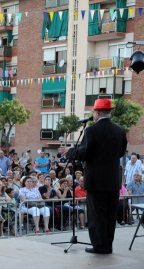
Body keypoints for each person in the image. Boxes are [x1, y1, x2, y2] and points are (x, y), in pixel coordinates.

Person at [59, 98, 127, 254]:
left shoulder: (91, 130)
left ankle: (99, 246)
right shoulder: (120, 130)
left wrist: (70, 151)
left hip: (96, 181)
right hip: (113, 180)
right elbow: (121, 152)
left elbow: (84, 153)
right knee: (110, 215)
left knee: (97, 215)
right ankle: (108, 245)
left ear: (96, 112)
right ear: (110, 111)